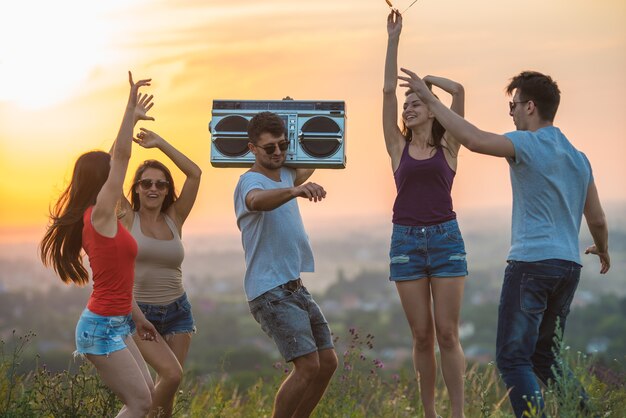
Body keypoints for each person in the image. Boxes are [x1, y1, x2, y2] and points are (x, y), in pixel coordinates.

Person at [399, 68, 610, 417]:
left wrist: (431, 99)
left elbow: (475, 140)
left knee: (513, 360)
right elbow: (598, 219)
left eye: (512, 105)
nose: (510, 113)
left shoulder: (526, 143)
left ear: (529, 107)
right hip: (568, 267)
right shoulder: (578, 157)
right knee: (544, 356)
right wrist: (602, 248)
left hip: (531, 264)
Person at [40, 72, 159, 418]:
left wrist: (139, 319)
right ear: (101, 180)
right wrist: (129, 110)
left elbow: (118, 281)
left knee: (149, 397)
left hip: (117, 321)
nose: (116, 178)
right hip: (99, 327)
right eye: (108, 174)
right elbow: (120, 157)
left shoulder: (102, 217)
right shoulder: (99, 216)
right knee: (141, 403)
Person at [383, 10, 468, 418]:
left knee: (448, 334)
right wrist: (393, 40)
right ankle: (430, 412)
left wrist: (429, 85)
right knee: (421, 336)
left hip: (446, 239)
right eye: (408, 103)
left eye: (417, 103)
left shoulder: (449, 145)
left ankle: (458, 413)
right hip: (406, 242)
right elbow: (386, 92)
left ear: (433, 110)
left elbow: (460, 91)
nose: (409, 106)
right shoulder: (398, 149)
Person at [234, 111, 338, 418]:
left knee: (327, 363)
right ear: (253, 148)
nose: (278, 152)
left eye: (283, 144)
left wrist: (295, 117)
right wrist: (294, 191)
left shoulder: (287, 172)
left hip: (294, 286)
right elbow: (256, 201)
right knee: (307, 366)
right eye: (270, 148)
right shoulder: (249, 181)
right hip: (270, 290)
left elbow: (319, 154)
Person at [118, 130, 202, 418]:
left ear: (167, 190)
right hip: (139, 314)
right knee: (166, 380)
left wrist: (161, 143)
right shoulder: (128, 217)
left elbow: (195, 174)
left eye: (161, 184)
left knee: (167, 395)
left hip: (178, 311)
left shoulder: (175, 217)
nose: (153, 188)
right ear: (137, 188)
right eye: (146, 183)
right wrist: (128, 125)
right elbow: (110, 170)